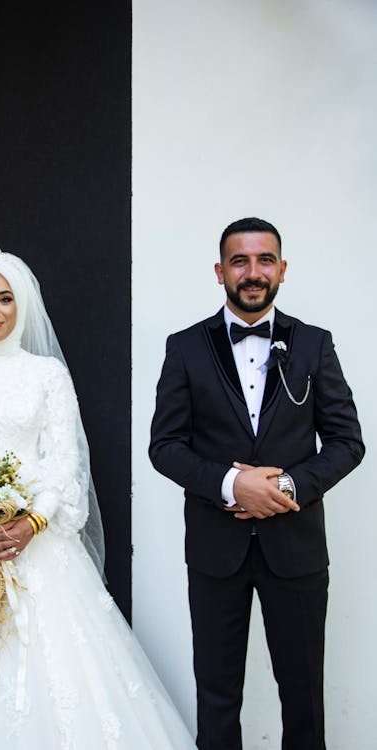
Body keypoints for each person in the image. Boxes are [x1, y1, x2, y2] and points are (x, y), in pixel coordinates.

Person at [0, 244, 197, 749]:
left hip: (33, 544)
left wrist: (32, 523)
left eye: (5, 299)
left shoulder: (46, 375)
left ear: (22, 305)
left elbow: (63, 458)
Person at [149, 217, 365, 750]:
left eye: (265, 260)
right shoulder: (185, 348)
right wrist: (228, 484)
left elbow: (347, 441)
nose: (253, 272)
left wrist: (287, 486)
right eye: (240, 261)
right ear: (220, 271)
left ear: (282, 270)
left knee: (303, 698)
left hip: (296, 552)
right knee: (217, 697)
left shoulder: (315, 345)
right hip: (214, 552)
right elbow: (165, 447)